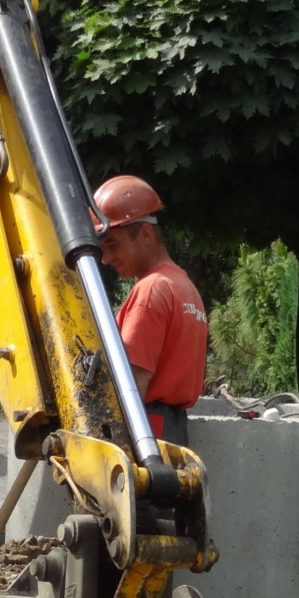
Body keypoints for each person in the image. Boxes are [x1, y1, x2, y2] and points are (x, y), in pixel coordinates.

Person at [95, 175, 209, 445]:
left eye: (113, 245)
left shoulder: (151, 290)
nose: (106, 258)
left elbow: (133, 383)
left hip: (145, 430)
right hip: (172, 430)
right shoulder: (185, 287)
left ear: (145, 234)